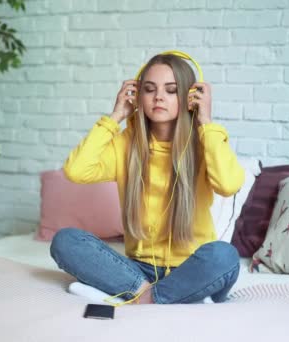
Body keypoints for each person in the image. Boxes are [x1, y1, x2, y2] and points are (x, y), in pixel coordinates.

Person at [50, 53, 245, 305]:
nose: (159, 97)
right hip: (138, 271)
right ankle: (160, 297)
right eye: (149, 89)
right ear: (138, 96)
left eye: (171, 90)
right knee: (66, 241)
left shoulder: (205, 142)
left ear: (189, 97)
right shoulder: (127, 145)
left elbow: (228, 185)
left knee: (224, 256)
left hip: (192, 269)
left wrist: (206, 121)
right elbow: (76, 170)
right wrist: (115, 116)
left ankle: (143, 297)